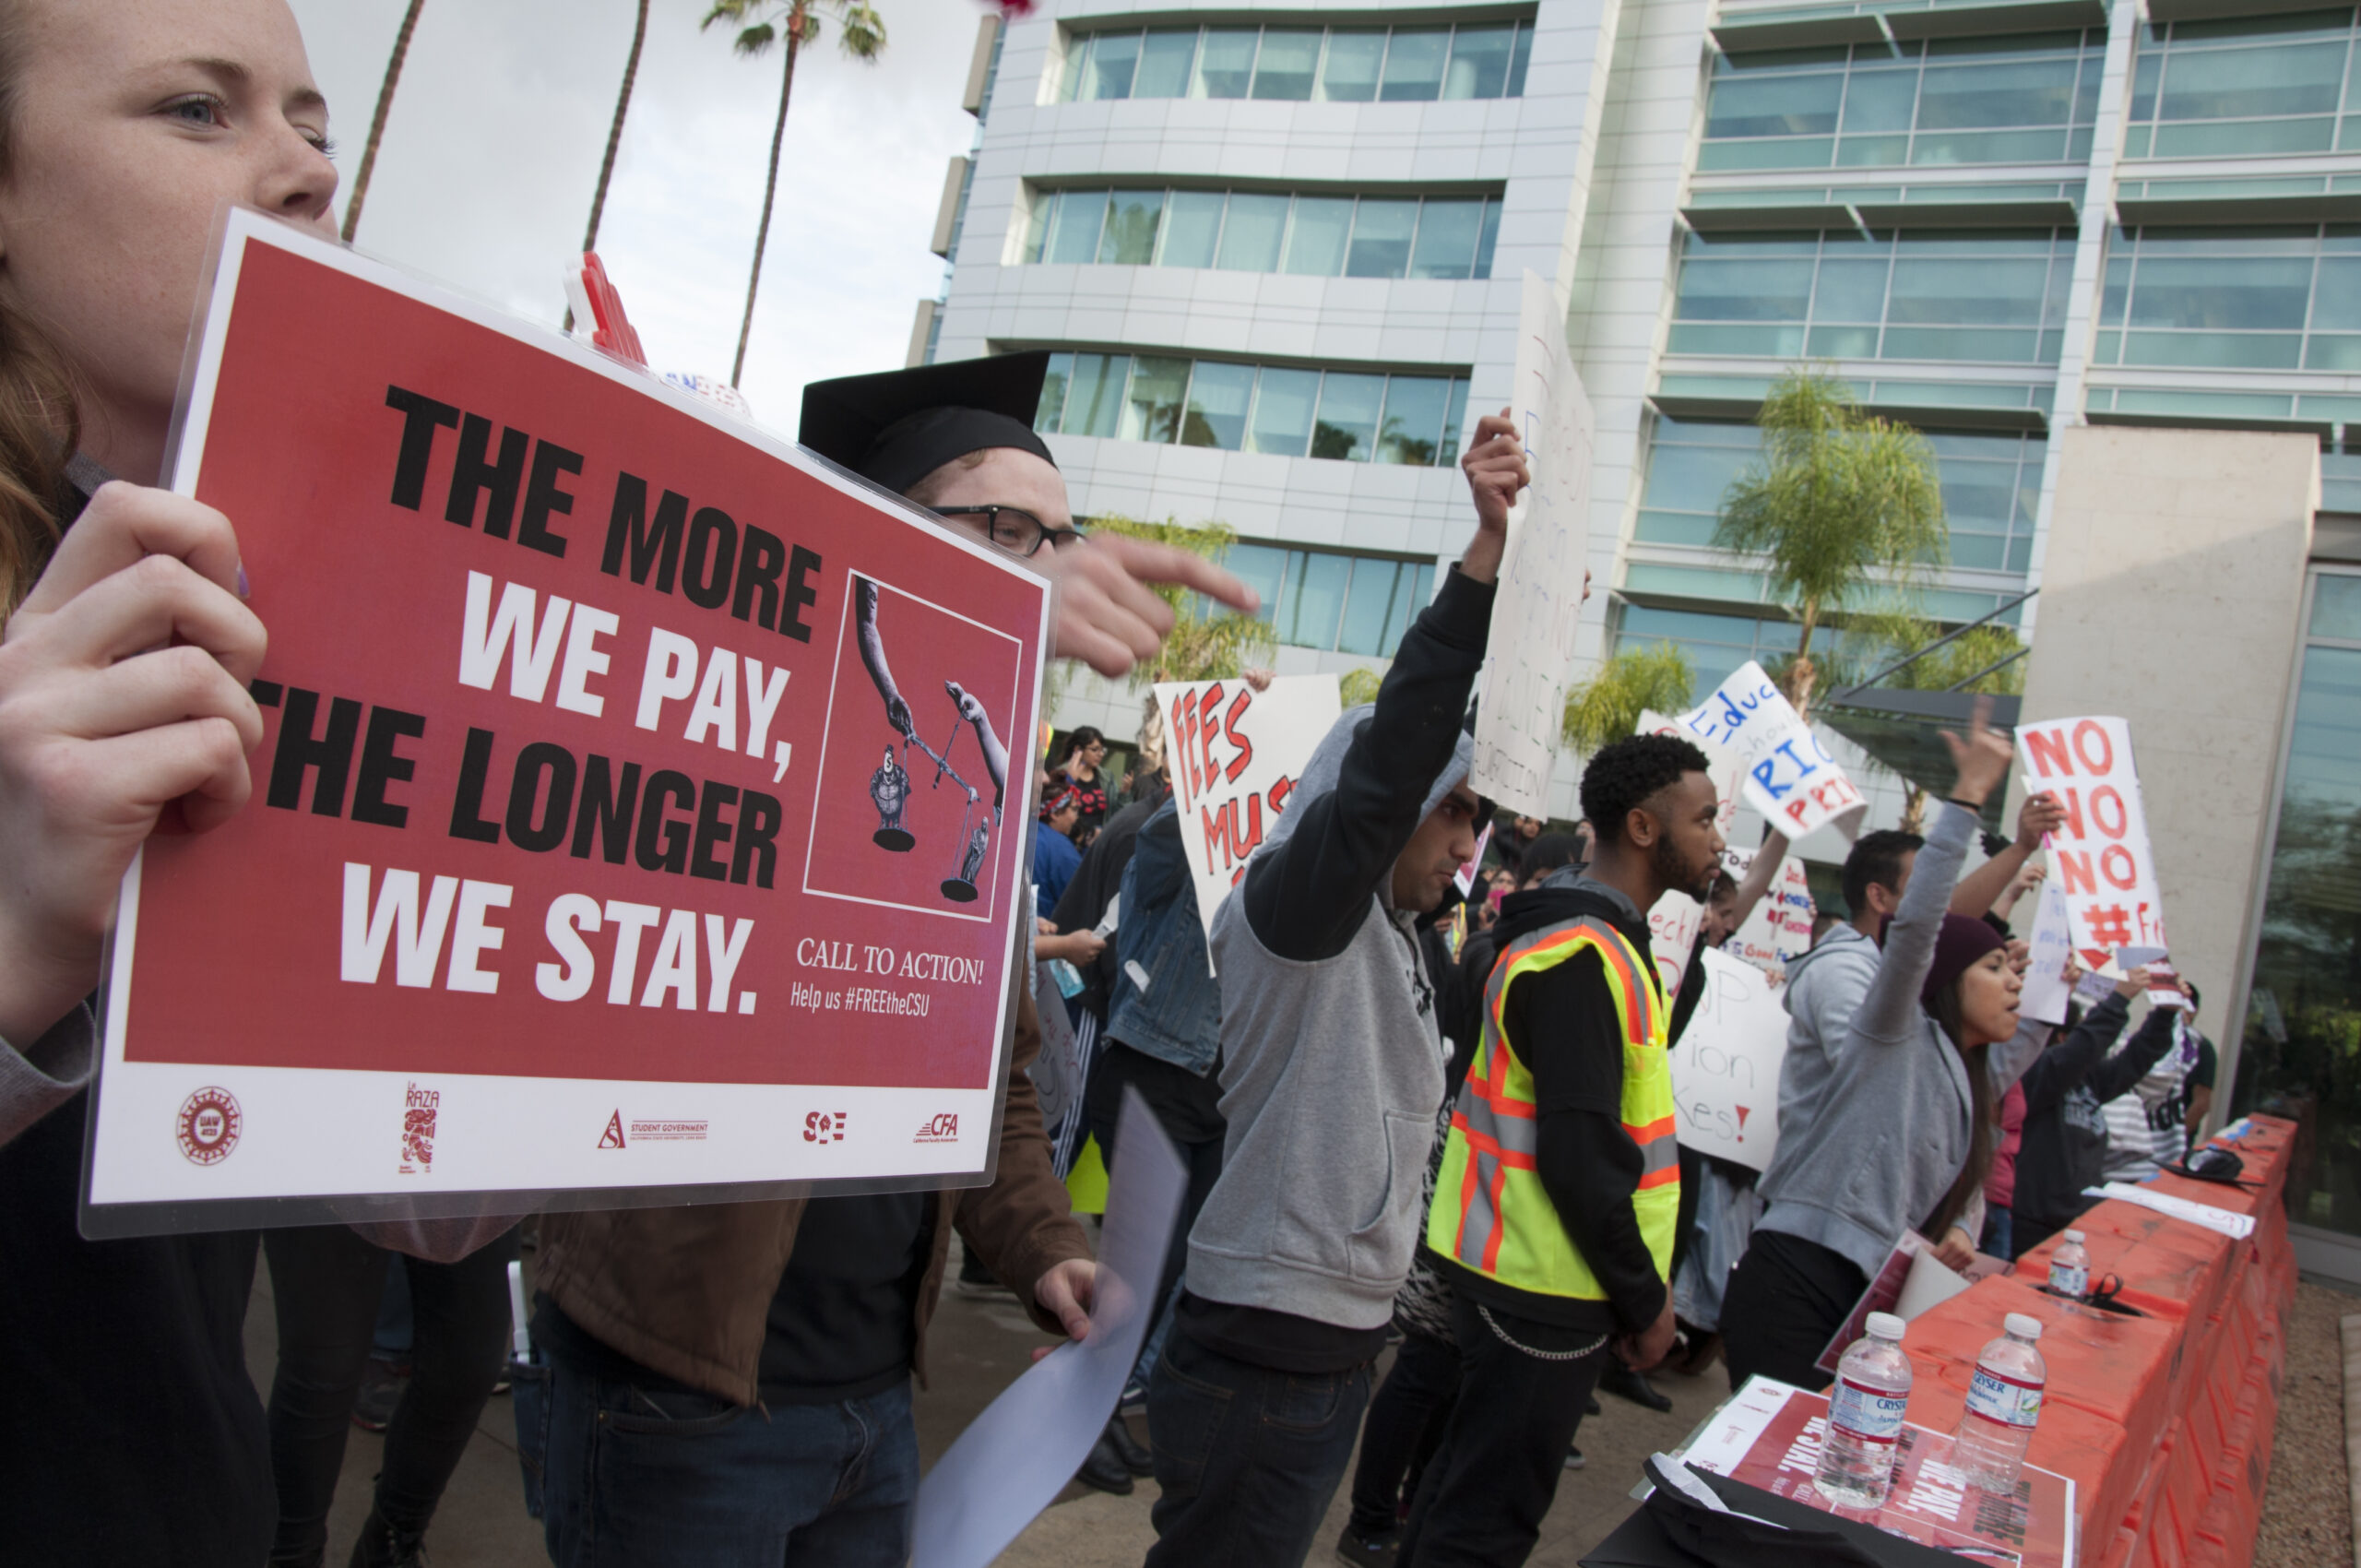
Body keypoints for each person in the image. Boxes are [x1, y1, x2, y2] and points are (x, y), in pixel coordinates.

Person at [531, 349, 1259, 1567]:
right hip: (678, 1392)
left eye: (1061, 532)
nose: (1052, 561)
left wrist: (1045, 1250)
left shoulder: (963, 799)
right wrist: (970, 594)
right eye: (1009, 527)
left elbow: (990, 1083)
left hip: (872, 1405)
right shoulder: (741, 720)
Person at [0, 6, 345, 1562]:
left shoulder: (302, 619)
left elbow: (421, 1207)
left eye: (315, 125)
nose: (302, 176)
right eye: (199, 112)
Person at [1143, 410, 1528, 1568]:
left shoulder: (1412, 942)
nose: (1468, 842)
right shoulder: (1301, 906)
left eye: (1477, 817)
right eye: (1456, 809)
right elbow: (1385, 772)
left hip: (1325, 1346)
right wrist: (1484, 564)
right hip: (1266, 1351)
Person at [1398, 734, 1724, 1568]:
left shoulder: (1596, 942)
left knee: (1450, 1499)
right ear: (1646, 829)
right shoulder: (1582, 956)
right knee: (1481, 1527)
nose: (1720, 839)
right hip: (1543, 1286)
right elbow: (1580, 1159)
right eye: (1708, 818)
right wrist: (1646, 1302)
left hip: (1522, 1275)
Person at [1720, 701, 2033, 1391]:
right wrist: (1969, 797)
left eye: (2015, 971)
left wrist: (1952, 1235)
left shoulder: (1967, 1075)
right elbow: (1920, 927)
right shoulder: (1888, 1027)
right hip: (1796, 1278)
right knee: (1748, 1487)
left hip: (1865, 1303)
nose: (2015, 984)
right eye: (1995, 968)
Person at [263, 1224, 523, 1566]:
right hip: (332, 1178)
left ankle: (389, 1545)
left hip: (469, 1179)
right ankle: (291, 1556)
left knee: (468, 1363)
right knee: (321, 1371)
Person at [2011, 965, 2180, 1256]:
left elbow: (2135, 1061)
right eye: (2078, 1035)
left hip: (2074, 1222)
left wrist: (2165, 1013)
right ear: (2062, 1038)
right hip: (2029, 1223)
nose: (2091, 1047)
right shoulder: (2033, 1075)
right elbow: (2082, 1051)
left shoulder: (2087, 1080)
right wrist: (2119, 999)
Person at [2102, 980, 2214, 1180]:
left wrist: (2180, 1137)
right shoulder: (2151, 1043)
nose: (2181, 1017)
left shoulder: (2198, 1047)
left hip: (2163, 1145)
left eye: (2183, 1010)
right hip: (2135, 1151)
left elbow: (2202, 1102)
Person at [1048, 724, 1112, 833]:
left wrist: (1124, 795)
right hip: (1068, 837)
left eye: (1102, 750)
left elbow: (1114, 811)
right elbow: (1053, 808)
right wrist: (1068, 780)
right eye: (1095, 749)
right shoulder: (1060, 774)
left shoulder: (1106, 777)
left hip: (1096, 841)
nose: (1100, 754)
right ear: (1078, 749)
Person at [1035, 782, 1085, 909]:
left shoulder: (1024, 835)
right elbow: (1079, 898)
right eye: (1074, 810)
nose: (1076, 817)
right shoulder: (1060, 848)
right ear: (1055, 814)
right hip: (1045, 925)